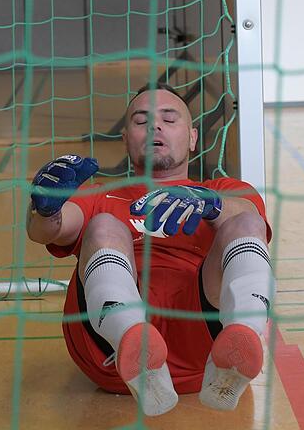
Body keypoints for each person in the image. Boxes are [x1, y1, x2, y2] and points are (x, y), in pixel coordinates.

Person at [26, 83, 273, 416]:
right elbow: (47, 231)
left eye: (169, 119)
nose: (155, 126)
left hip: (204, 341)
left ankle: (241, 343)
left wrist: (209, 205)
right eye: (142, 121)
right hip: (110, 351)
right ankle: (132, 341)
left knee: (246, 223)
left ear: (192, 138)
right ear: (126, 138)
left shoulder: (224, 191)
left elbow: (248, 214)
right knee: (103, 225)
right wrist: (45, 208)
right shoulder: (103, 195)